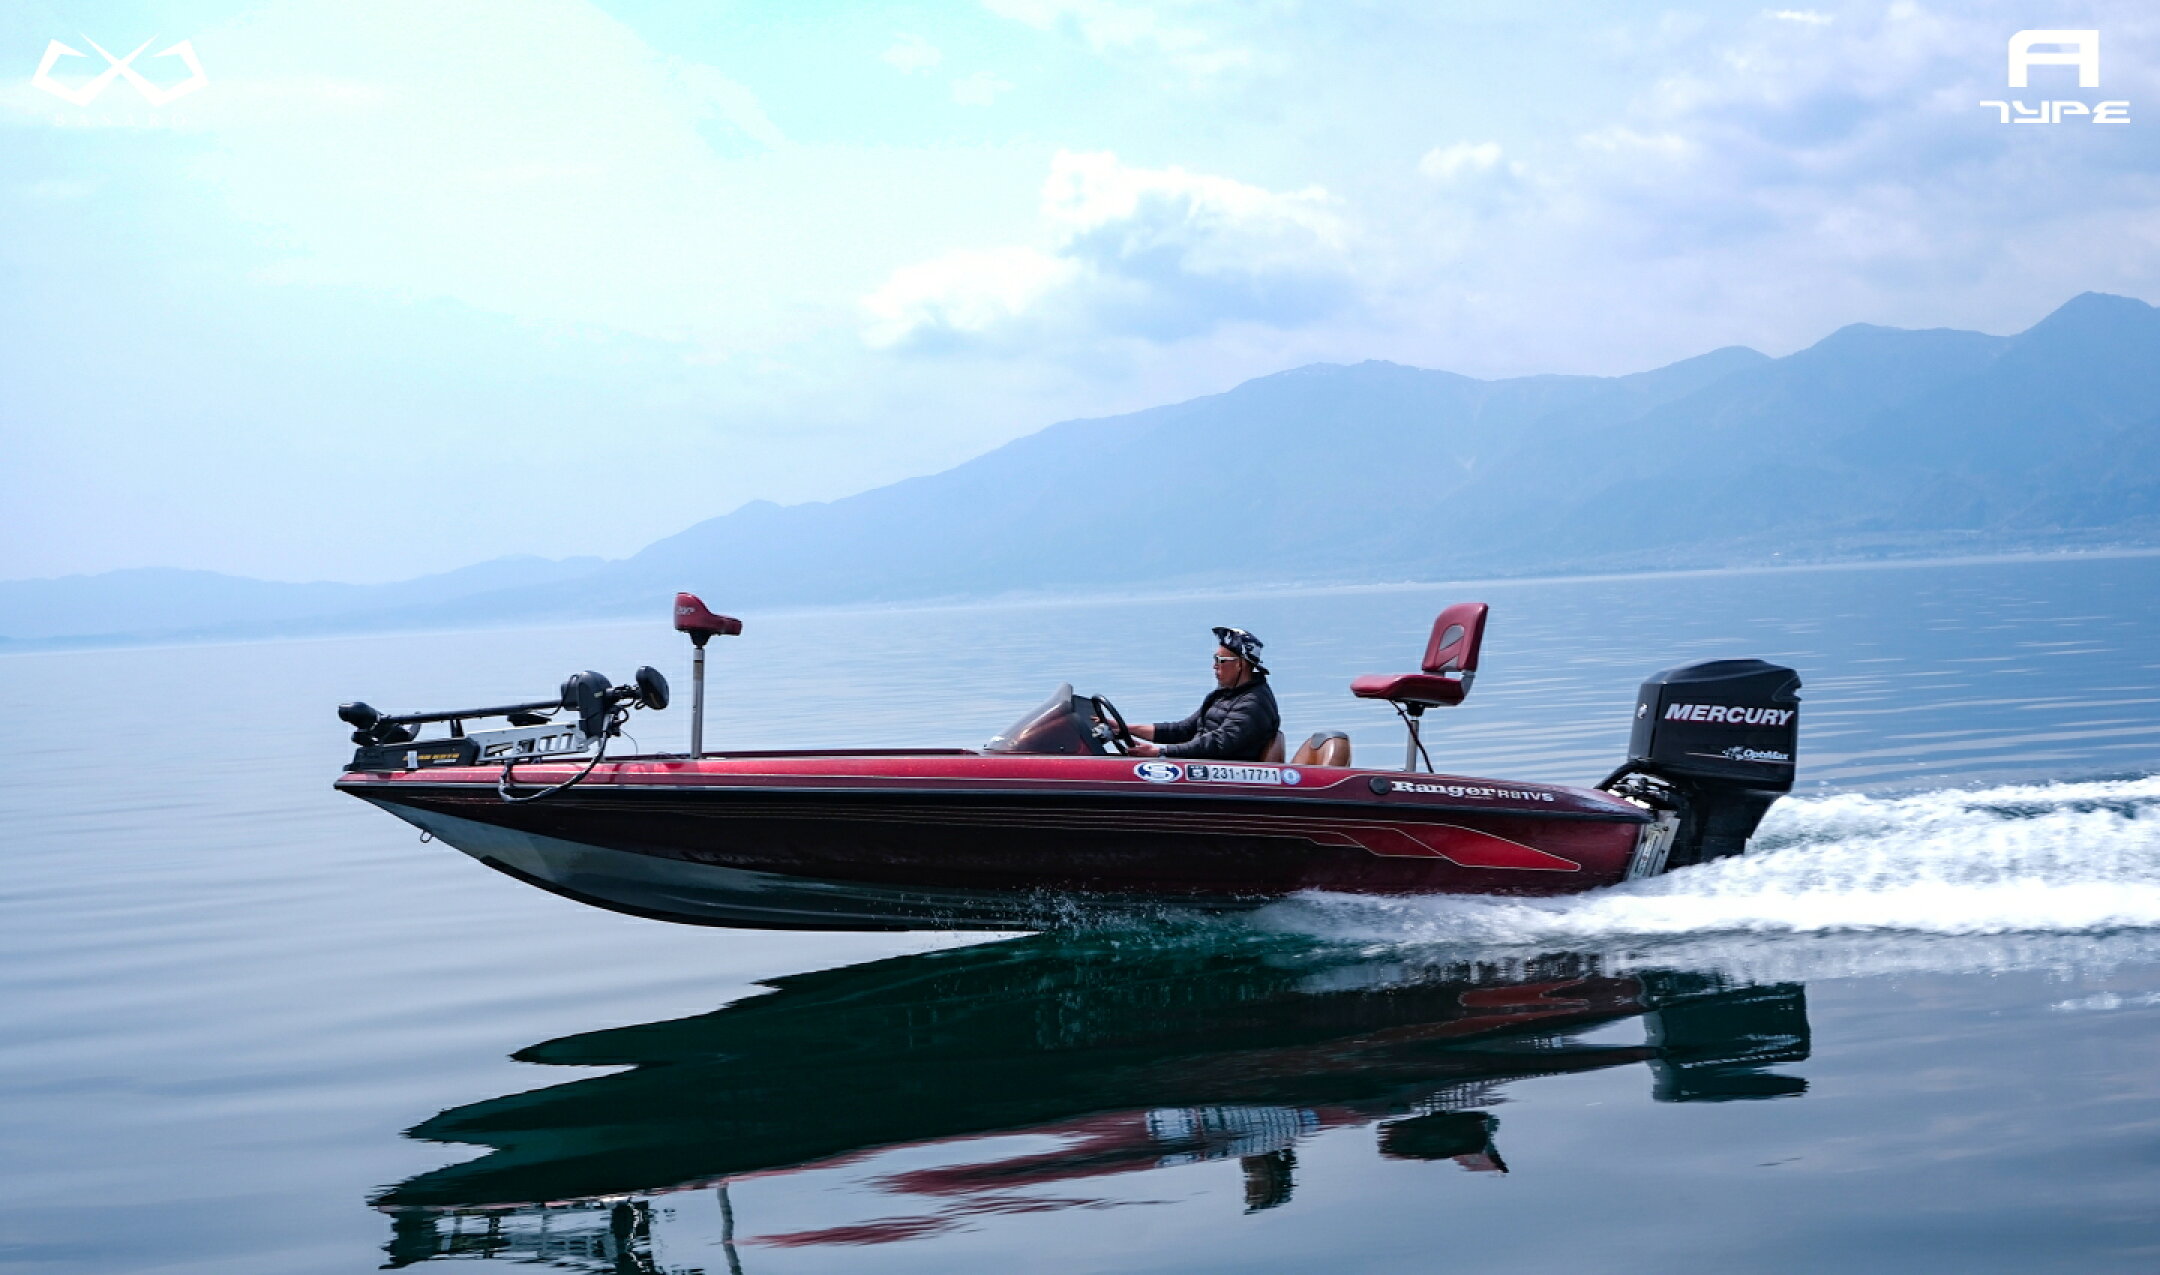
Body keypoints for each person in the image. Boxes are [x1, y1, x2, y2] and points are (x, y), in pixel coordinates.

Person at [1124, 627, 1281, 761]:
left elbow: (1218, 744)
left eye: (1220, 660)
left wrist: (1162, 752)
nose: (1214, 666)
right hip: (1202, 765)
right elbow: (1184, 730)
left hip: (1224, 775)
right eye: (1215, 659)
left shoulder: (1255, 703)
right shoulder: (1223, 694)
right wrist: (1127, 729)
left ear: (1240, 664)